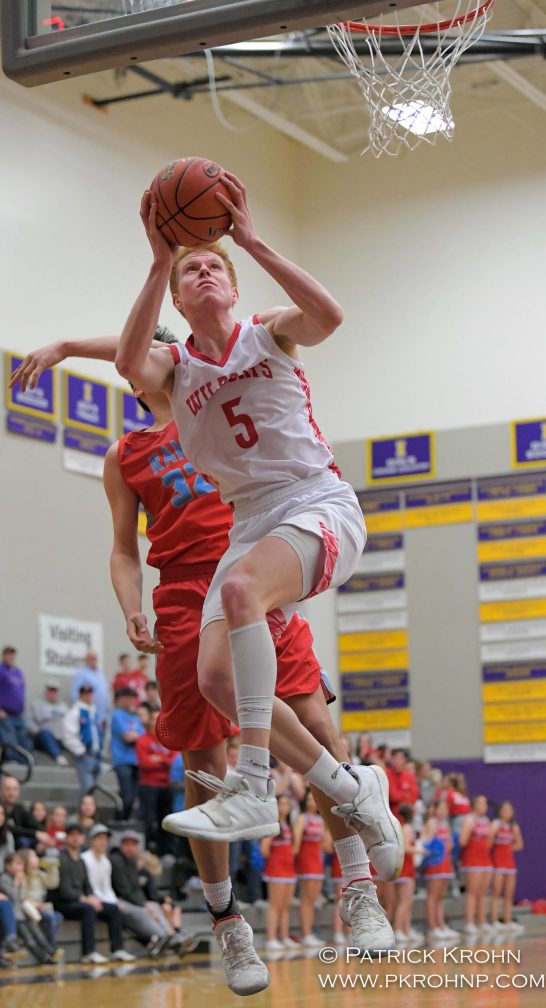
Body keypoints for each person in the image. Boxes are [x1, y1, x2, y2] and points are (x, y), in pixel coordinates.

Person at [12, 320, 399, 982]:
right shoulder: (125, 454)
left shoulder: (214, 417)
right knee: (204, 768)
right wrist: (131, 606)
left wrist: (72, 345)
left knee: (317, 728)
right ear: (136, 375)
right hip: (185, 599)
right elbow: (121, 548)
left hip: (256, 571)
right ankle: (228, 923)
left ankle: (359, 889)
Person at [51, 820, 129, 964]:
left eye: (78, 835)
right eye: (72, 835)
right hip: (64, 903)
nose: (75, 838)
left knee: (113, 909)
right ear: (66, 838)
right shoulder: (61, 858)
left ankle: (117, 949)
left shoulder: (81, 861)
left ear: (83, 838)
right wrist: (85, 899)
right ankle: (88, 952)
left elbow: (88, 886)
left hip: (80, 901)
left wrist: (93, 898)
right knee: (88, 909)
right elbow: (64, 890)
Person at [110, 830, 197, 957]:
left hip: (131, 899)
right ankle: (166, 937)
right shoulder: (116, 861)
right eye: (127, 844)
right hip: (117, 899)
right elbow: (124, 890)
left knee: (154, 906)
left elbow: (137, 890)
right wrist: (143, 905)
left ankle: (170, 936)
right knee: (146, 910)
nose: (130, 848)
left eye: (133, 844)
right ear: (121, 845)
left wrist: (145, 903)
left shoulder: (132, 862)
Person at [0, 852, 55, 963]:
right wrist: (16, 883)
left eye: (21, 864)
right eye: (17, 864)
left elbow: (22, 896)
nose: (20, 867)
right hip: (15, 915)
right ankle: (43, 957)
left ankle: (50, 951)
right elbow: (14, 896)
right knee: (29, 939)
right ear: (7, 865)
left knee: (37, 933)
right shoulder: (4, 879)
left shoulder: (20, 877)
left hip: (24, 913)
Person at [136, 710, 176, 856]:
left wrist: (159, 759)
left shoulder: (169, 740)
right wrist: (164, 761)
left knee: (166, 820)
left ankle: (164, 851)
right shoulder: (143, 740)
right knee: (148, 819)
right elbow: (145, 763)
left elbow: (175, 761)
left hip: (166, 785)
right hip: (148, 785)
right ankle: (144, 849)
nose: (156, 722)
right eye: (153, 719)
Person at [261, 795, 297, 951]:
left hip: (289, 868)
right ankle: (271, 938)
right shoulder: (272, 825)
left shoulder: (289, 825)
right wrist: (276, 859)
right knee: (275, 905)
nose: (284, 807)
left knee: (285, 905)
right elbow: (264, 849)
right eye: (281, 803)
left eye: (287, 804)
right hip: (276, 868)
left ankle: (284, 936)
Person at [421, 799, 458, 941]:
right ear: (435, 810)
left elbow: (449, 844)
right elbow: (426, 842)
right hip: (435, 864)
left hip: (446, 863)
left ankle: (441, 925)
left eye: (446, 809)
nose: (444, 811)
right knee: (433, 896)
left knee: (440, 896)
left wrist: (449, 843)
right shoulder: (432, 823)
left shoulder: (446, 824)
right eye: (441, 808)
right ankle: (432, 927)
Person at [293, 788, 325, 947]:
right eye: (309, 800)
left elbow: (325, 845)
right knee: (306, 899)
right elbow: (296, 844)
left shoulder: (321, 820)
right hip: (306, 861)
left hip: (317, 861)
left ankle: (310, 932)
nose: (311, 802)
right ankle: (306, 933)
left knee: (313, 899)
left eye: (314, 799)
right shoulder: (302, 818)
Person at [459, 795, 493, 935]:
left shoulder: (486, 820)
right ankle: (469, 922)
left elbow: (489, 841)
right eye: (481, 802)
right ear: (474, 804)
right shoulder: (469, 819)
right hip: (472, 860)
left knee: (483, 893)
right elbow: (462, 841)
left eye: (485, 803)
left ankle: (482, 921)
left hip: (485, 859)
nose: (484, 805)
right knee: (472, 892)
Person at [18, 848, 62, 953]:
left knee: (58, 916)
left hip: (40, 908)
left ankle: (48, 944)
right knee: (49, 917)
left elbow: (53, 883)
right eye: (34, 856)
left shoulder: (38, 874)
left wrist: (52, 867)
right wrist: (36, 905)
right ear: (25, 860)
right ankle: (51, 948)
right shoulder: (22, 876)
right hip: (28, 909)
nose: (38, 858)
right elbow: (21, 897)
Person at [110, 687, 145, 819]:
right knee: (127, 796)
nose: (132, 701)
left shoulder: (135, 717)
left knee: (132, 797)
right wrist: (137, 736)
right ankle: (119, 821)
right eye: (130, 698)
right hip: (122, 761)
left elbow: (142, 736)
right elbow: (127, 737)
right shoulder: (117, 715)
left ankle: (122, 821)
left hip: (136, 761)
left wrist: (136, 736)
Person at [62, 685, 103, 794]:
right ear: (81, 695)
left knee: (94, 790)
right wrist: (81, 751)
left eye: (90, 694)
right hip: (85, 755)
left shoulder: (95, 712)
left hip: (96, 755)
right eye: (86, 694)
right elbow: (68, 735)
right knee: (87, 790)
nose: (89, 696)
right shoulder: (75, 712)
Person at [490, 801, 524, 933]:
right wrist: (499, 847)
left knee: (509, 894)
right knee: (496, 892)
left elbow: (519, 844)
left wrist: (507, 848)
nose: (507, 813)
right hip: (497, 862)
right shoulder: (496, 824)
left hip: (509, 863)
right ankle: (494, 920)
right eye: (505, 810)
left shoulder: (513, 826)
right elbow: (488, 842)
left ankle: (508, 919)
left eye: (509, 810)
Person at [0, 776, 53, 851]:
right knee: (23, 841)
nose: (12, 793)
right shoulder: (0, 808)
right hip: (4, 846)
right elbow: (10, 828)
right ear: (1, 790)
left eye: (15, 789)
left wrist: (42, 836)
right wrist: (35, 833)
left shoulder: (19, 808)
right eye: (8, 789)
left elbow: (34, 824)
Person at [0, 647, 34, 764]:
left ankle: (25, 763)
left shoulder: (18, 672)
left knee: (24, 740)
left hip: (18, 715)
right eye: (8, 655)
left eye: (12, 655)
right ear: (3, 655)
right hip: (5, 714)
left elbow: (21, 691)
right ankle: (13, 762)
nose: (11, 658)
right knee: (10, 740)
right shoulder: (1, 670)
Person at [392, 804, 419, 944]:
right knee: (404, 901)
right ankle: (398, 929)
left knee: (407, 901)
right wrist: (421, 850)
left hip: (406, 867)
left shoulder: (403, 828)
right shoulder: (407, 828)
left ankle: (405, 929)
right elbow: (406, 847)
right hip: (405, 867)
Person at [26, 682, 69, 766]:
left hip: (60, 739)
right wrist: (37, 730)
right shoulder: (37, 704)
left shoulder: (63, 707)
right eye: (50, 690)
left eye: (54, 691)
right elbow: (28, 721)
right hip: (42, 738)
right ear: (46, 691)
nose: (52, 693)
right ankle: (57, 756)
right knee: (45, 733)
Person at [70, 651, 111, 727]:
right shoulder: (81, 674)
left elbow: (106, 693)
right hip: (89, 716)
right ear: (86, 660)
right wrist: (82, 712)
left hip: (103, 716)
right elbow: (74, 694)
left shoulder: (101, 674)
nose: (93, 660)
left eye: (95, 658)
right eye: (91, 658)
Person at [385, 750, 420, 820]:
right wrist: (405, 794)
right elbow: (393, 796)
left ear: (404, 760)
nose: (397, 761)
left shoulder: (409, 777)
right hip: (392, 816)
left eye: (400, 759)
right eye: (395, 758)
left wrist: (402, 797)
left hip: (408, 815)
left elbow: (414, 796)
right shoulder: (388, 775)